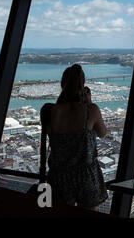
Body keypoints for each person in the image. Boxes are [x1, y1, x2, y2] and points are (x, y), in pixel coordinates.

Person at [40, 64, 108, 210]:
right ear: (83, 85)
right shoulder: (90, 110)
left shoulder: (48, 110)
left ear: (62, 83)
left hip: (58, 176)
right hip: (86, 176)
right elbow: (102, 133)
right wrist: (89, 102)